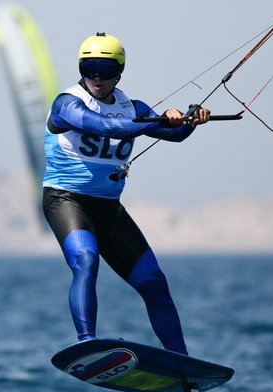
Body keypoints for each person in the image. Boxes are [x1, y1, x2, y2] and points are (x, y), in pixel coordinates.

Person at [42, 32, 210, 355]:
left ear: (119, 72)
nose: (97, 78)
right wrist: (152, 122)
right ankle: (87, 343)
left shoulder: (132, 108)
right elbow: (103, 126)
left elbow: (175, 136)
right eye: (90, 68)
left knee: (154, 282)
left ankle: (181, 361)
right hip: (66, 201)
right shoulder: (66, 103)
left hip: (109, 210)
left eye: (105, 71)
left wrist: (190, 117)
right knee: (86, 260)